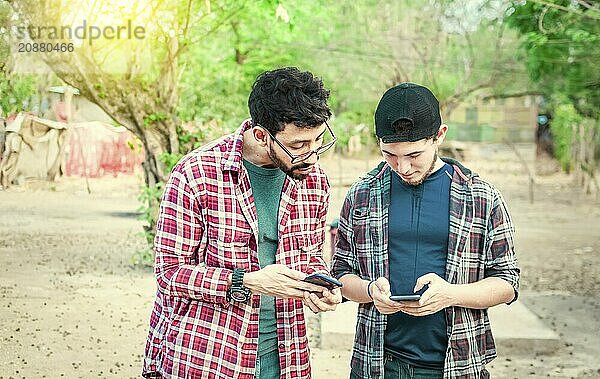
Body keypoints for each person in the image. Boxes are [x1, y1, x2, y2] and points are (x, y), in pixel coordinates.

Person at [143, 67, 342, 379]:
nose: (313, 155)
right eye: (300, 145)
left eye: (318, 140)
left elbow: (310, 256)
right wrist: (246, 282)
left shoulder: (315, 181)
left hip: (287, 356)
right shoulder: (195, 174)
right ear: (262, 135)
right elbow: (169, 275)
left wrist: (319, 284)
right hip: (209, 357)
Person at [331, 83, 520, 378]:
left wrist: (452, 294)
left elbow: (507, 282)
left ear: (439, 136)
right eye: (389, 155)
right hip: (376, 364)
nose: (402, 167)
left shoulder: (482, 196)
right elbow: (340, 274)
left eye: (414, 155)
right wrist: (370, 291)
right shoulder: (361, 194)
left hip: (457, 365)